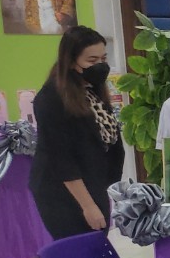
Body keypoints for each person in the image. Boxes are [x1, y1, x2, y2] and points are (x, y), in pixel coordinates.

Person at [29, 26, 124, 239]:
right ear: (71, 61)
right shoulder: (51, 99)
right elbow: (61, 159)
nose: (100, 65)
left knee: (98, 240)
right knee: (81, 246)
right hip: (63, 191)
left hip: (93, 181)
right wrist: (88, 206)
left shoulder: (91, 90)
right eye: (92, 60)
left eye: (103, 58)